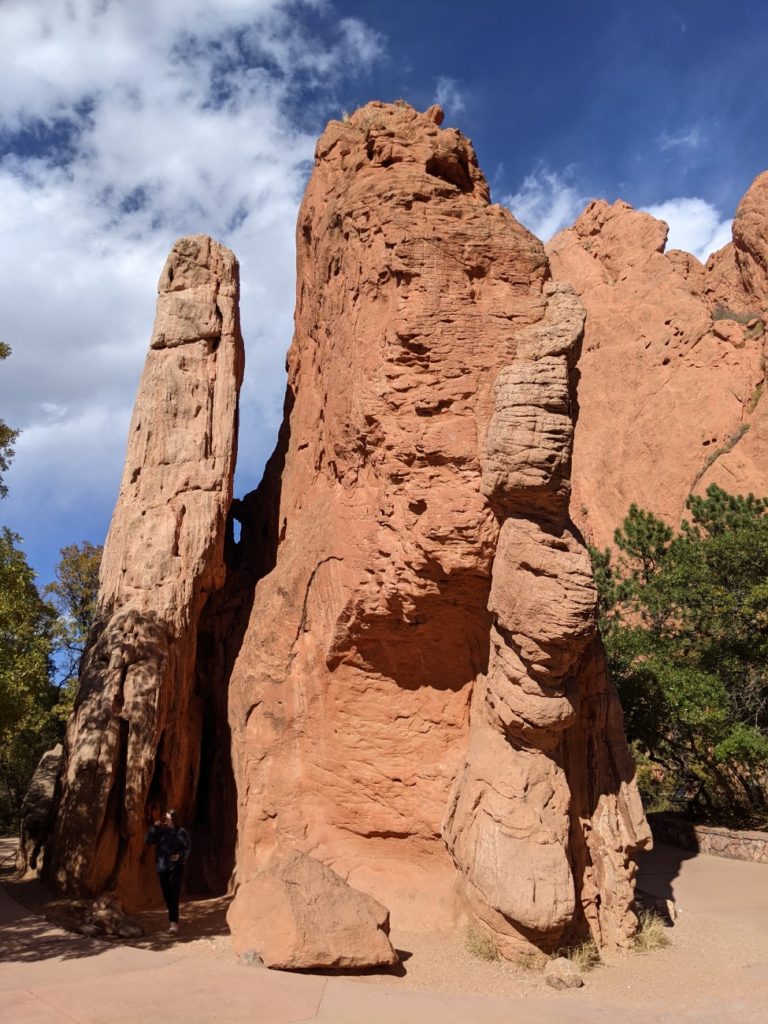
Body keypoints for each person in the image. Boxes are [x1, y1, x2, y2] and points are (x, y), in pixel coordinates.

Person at [145, 809, 191, 934]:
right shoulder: (161, 832)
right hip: (162, 868)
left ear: (174, 819)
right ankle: (173, 918)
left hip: (175, 868)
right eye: (165, 819)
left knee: (173, 895)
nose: (166, 821)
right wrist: (153, 828)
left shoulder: (181, 832)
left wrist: (179, 856)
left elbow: (187, 848)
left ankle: (173, 923)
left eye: (168, 819)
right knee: (167, 896)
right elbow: (148, 840)